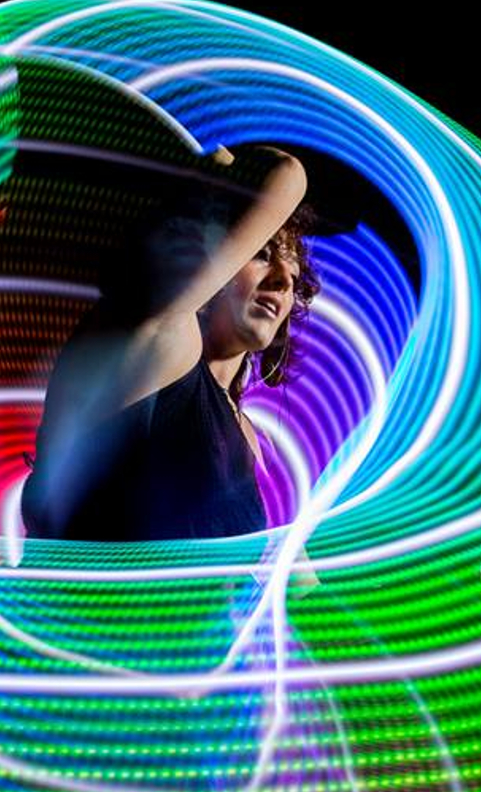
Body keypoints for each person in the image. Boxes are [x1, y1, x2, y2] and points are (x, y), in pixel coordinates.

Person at [20, 145, 318, 542]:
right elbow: (286, 173)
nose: (282, 281)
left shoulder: (252, 441)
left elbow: (286, 568)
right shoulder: (157, 343)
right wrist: (218, 168)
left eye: (293, 276)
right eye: (262, 254)